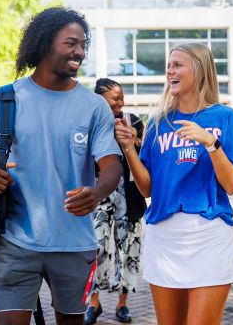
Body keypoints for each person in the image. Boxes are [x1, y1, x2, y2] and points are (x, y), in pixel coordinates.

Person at [0, 7, 122, 325]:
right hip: (12, 241)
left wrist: (97, 191)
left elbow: (111, 165)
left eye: (83, 44)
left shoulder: (94, 107)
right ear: (45, 43)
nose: (79, 51)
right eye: (71, 43)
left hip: (74, 244)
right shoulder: (4, 99)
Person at [114, 42, 233, 324]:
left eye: (177, 65)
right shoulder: (157, 122)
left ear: (200, 70)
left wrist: (211, 143)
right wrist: (129, 148)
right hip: (165, 236)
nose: (170, 72)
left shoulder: (225, 117)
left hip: (209, 234)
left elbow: (231, 186)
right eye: (168, 66)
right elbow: (147, 189)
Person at [85, 78, 146, 324]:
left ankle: (122, 304)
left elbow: (147, 158)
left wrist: (134, 140)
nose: (120, 103)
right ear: (99, 98)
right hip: (99, 196)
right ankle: (94, 303)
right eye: (115, 98)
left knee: (128, 250)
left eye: (122, 98)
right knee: (96, 248)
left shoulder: (135, 121)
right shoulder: (89, 122)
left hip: (130, 198)